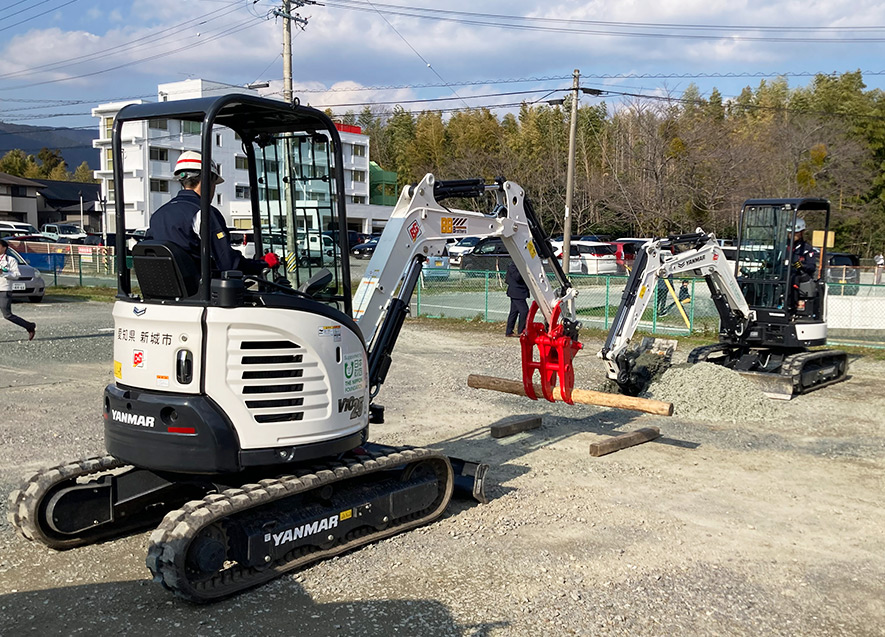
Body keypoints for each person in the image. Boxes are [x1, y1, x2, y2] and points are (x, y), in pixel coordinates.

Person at [146, 151, 269, 275]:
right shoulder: (204, 213)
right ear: (207, 180)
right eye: (214, 183)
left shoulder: (158, 215)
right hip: (200, 290)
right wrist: (262, 264)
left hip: (164, 290)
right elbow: (228, 263)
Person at [0, 239, 36, 341]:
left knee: (7, 315)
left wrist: (3, 273)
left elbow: (16, 275)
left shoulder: (10, 260)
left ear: (4, 248)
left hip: (4, 289)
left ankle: (29, 326)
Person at [505, 260, 529, 337]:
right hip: (516, 292)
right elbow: (517, 277)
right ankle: (521, 331)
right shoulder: (513, 265)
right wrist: (524, 269)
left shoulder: (516, 265)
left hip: (519, 291)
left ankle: (509, 331)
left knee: (514, 312)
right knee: (524, 311)